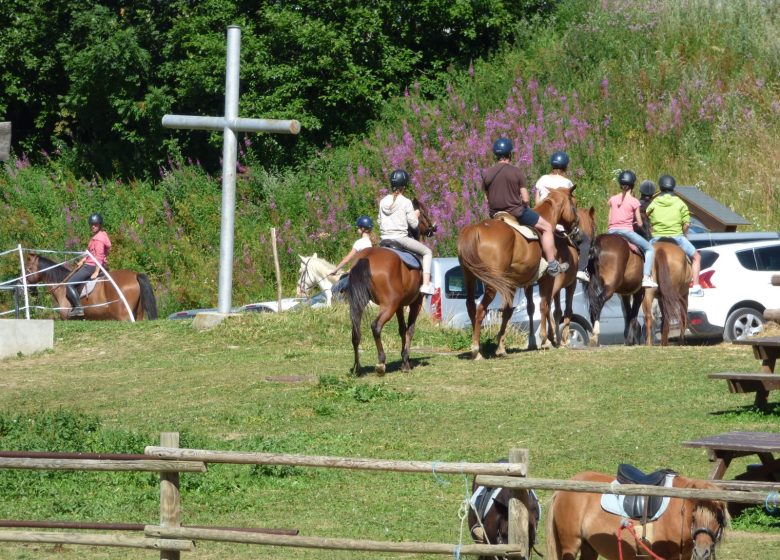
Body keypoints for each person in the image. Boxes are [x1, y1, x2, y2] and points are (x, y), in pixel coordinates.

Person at [483, 138, 567, 277]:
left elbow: (487, 198)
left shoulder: (487, 174)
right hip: (515, 212)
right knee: (546, 227)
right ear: (510, 154)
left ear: (496, 155)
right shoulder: (516, 172)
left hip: (495, 215)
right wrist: (525, 206)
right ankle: (552, 264)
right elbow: (526, 198)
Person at [378, 169, 435, 295]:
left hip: (383, 239)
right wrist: (415, 214)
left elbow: (378, 221)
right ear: (404, 186)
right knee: (427, 252)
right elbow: (414, 224)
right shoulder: (406, 202)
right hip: (401, 239)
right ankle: (426, 284)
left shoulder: (382, 201)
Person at [534, 150, 589, 280]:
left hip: (540, 222)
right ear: (565, 166)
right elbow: (569, 211)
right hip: (559, 226)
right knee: (585, 240)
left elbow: (537, 203)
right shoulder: (567, 183)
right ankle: (581, 270)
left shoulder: (542, 179)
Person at [645, 174, 704, 296]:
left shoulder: (654, 202)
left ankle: (645, 278)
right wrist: (684, 232)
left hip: (656, 237)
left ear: (660, 187)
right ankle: (696, 286)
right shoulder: (680, 203)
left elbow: (647, 217)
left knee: (644, 256)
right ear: (673, 187)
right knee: (697, 257)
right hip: (677, 237)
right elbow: (686, 224)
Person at [606, 170, 658, 288]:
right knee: (649, 249)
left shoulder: (613, 199)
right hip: (627, 231)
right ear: (633, 185)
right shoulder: (634, 201)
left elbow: (609, 220)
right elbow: (639, 223)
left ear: (620, 184)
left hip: (611, 231)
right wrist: (635, 221)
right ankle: (646, 277)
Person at [66, 213, 112, 317]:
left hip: (91, 267)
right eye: (91, 224)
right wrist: (83, 260)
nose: (93, 226)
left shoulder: (99, 238)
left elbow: (99, 256)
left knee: (69, 284)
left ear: (100, 225)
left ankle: (78, 308)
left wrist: (96, 271)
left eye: (95, 224)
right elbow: (92, 253)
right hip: (90, 263)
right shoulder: (99, 236)